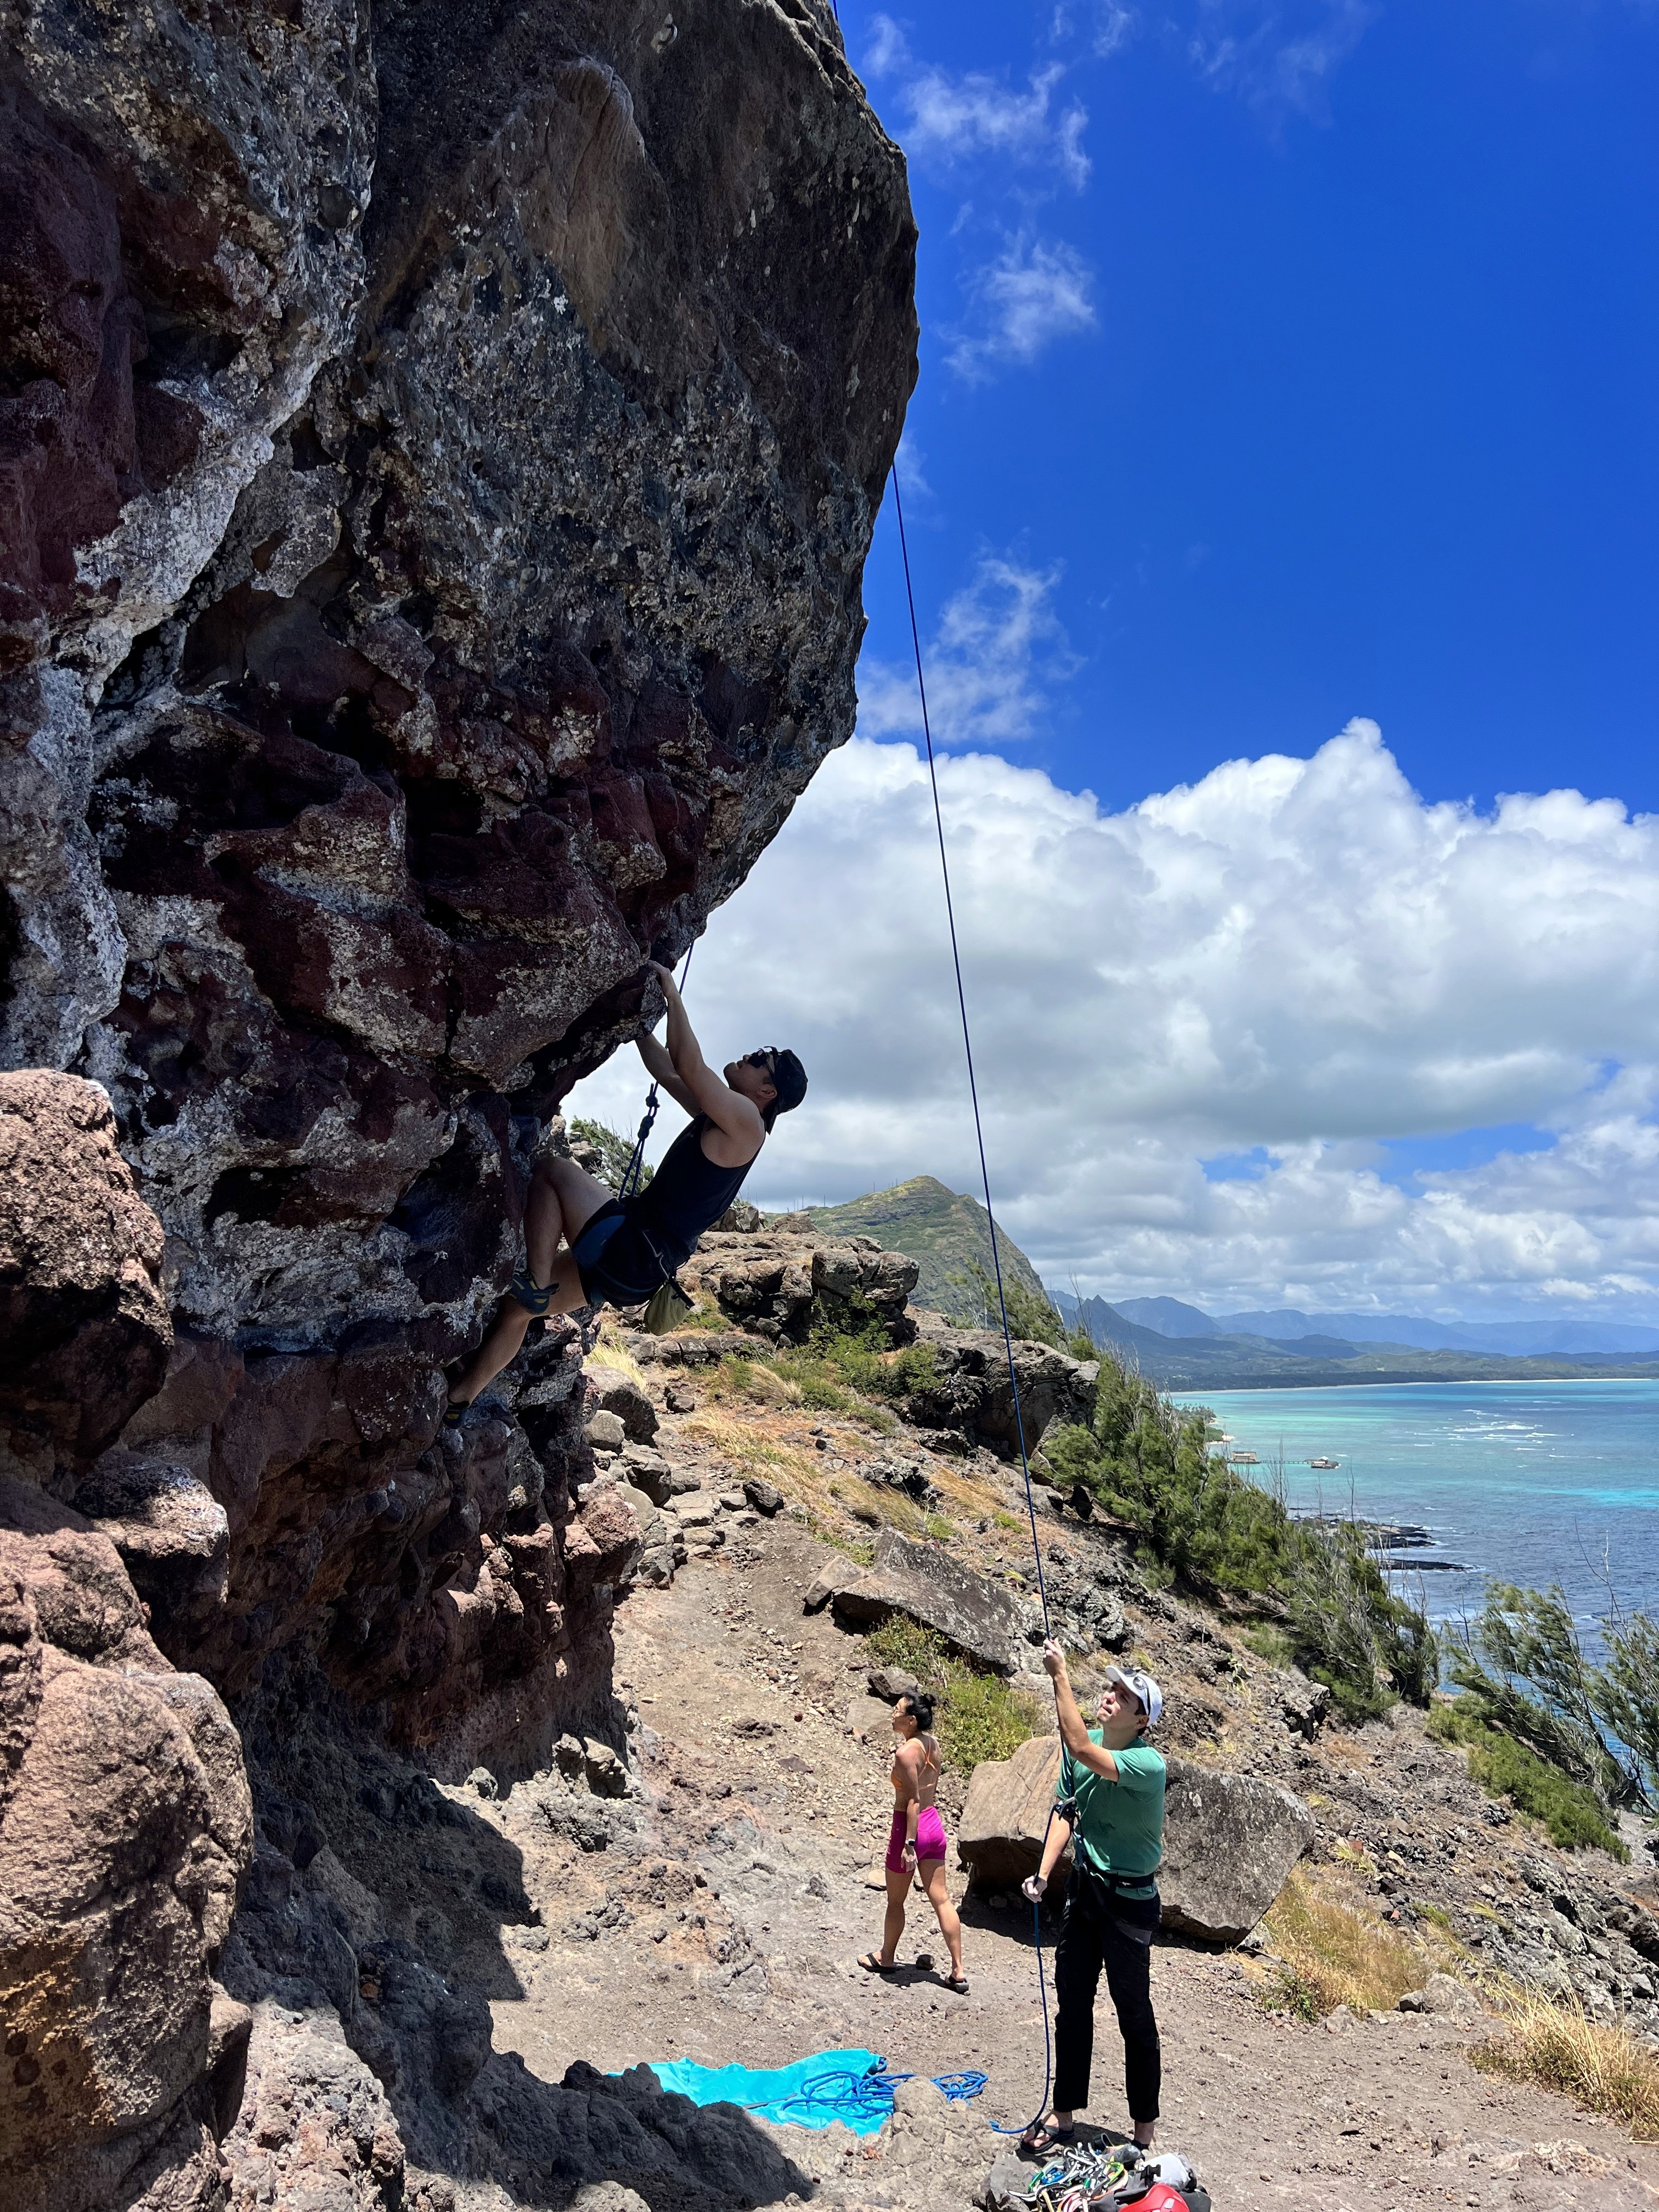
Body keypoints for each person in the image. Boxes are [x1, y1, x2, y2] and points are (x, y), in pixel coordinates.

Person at [445, 961, 806, 1420]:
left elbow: (688, 1063)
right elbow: (670, 1072)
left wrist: (672, 997)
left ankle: (536, 1281)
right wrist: (638, 1028)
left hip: (631, 1247)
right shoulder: (726, 1121)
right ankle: (462, 1398)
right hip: (638, 1269)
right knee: (518, 1313)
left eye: (760, 1062)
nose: (748, 1056)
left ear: (768, 1092)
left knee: (550, 1170)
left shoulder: (748, 1124)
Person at [1017, 1640, 1166, 2159]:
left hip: (1129, 1903)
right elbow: (1066, 1809)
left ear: (1143, 1719)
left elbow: (1081, 1748)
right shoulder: (1083, 1752)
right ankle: (1063, 2116)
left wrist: (1059, 1676)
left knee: (1134, 2015)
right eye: (1110, 1688)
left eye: (1124, 1696)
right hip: (1086, 1892)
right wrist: (1042, 1873)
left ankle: (1143, 2133)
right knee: (1072, 2007)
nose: (1111, 1696)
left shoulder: (1148, 1764)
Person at [858, 1691, 968, 1993]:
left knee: (896, 1900)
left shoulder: (905, 1753)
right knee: (942, 1899)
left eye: (897, 1711)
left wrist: (908, 1844)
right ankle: (958, 1970)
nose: (892, 1715)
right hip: (934, 1826)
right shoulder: (932, 1745)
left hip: (909, 1828)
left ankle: (887, 1956)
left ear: (911, 1720)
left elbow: (913, 1801)